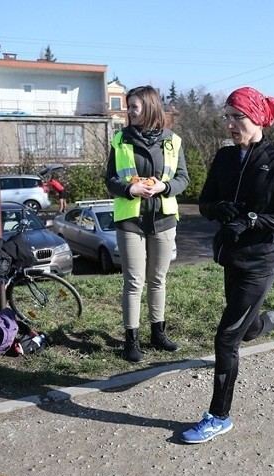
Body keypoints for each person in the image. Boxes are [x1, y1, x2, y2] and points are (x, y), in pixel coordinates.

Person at [184, 86, 274, 444]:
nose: (231, 124)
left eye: (239, 117)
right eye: (227, 117)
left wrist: (253, 219)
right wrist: (221, 210)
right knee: (248, 329)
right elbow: (204, 203)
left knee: (227, 338)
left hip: (261, 262)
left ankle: (219, 416)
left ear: (257, 118)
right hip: (231, 257)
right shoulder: (224, 158)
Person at [105, 85, 189, 361]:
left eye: (133, 107)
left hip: (163, 219)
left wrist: (163, 187)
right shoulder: (120, 139)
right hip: (131, 219)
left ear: (150, 107)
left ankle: (158, 333)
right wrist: (131, 190)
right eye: (128, 107)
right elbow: (110, 180)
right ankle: (131, 340)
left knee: (158, 279)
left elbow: (183, 179)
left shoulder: (173, 141)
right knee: (134, 281)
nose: (129, 111)